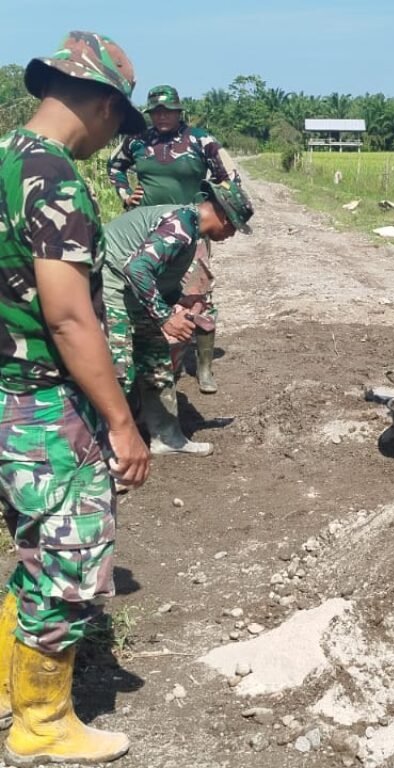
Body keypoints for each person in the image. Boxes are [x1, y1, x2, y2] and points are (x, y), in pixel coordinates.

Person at [0, 31, 150, 764]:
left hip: (5, 392)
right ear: (100, 103)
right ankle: (42, 722)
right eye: (119, 120)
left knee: (32, 545)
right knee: (68, 556)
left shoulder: (1, 160)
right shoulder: (51, 176)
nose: (114, 135)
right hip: (44, 404)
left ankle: (6, 684)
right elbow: (67, 313)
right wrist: (121, 422)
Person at [102, 179, 253, 456]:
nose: (231, 234)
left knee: (157, 362)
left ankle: (167, 438)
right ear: (220, 214)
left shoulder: (189, 228)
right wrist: (164, 317)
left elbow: (157, 274)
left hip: (131, 290)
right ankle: (106, 452)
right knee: (118, 371)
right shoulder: (181, 226)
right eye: (232, 226)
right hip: (110, 286)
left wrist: (181, 302)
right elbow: (136, 269)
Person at [107, 84, 235, 394]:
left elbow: (229, 180)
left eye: (169, 111)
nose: (162, 116)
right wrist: (126, 194)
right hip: (148, 230)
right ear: (150, 114)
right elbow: (115, 166)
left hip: (191, 231)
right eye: (156, 112)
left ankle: (203, 367)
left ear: (180, 113)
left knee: (195, 298)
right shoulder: (137, 141)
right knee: (146, 289)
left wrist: (215, 206)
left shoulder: (200, 140)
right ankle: (149, 359)